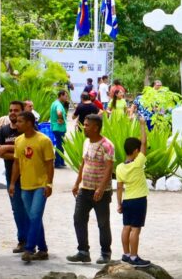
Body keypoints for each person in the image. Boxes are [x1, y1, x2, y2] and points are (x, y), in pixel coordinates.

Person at [67, 114, 115, 265]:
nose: (84, 127)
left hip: (101, 192)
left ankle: (105, 253)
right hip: (85, 189)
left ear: (96, 127)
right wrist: (76, 183)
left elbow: (109, 168)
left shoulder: (107, 145)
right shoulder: (86, 142)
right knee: (78, 219)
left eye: (87, 125)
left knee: (103, 223)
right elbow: (83, 163)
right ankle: (83, 252)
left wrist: (100, 188)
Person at [9, 111, 55, 263]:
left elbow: (50, 164)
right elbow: (17, 163)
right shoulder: (18, 140)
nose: (17, 123)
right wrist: (12, 183)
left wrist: (49, 183)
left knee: (35, 216)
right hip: (24, 185)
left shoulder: (44, 140)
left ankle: (29, 249)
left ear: (29, 123)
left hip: (40, 185)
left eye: (20, 121)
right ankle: (42, 249)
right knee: (33, 218)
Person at [116, 118, 151, 268]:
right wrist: (142, 125)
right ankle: (134, 256)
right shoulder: (138, 163)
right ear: (136, 151)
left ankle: (126, 254)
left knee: (126, 227)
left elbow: (119, 187)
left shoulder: (119, 168)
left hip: (127, 200)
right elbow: (144, 143)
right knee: (136, 229)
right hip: (139, 200)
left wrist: (119, 203)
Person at [0, 100, 28, 253]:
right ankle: (22, 240)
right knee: (17, 209)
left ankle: (33, 240)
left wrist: (8, 148)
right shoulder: (3, 131)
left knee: (30, 210)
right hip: (11, 177)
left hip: (29, 176)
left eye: (16, 110)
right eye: (11, 110)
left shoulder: (28, 130)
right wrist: (18, 154)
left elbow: (30, 150)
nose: (13, 113)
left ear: (22, 111)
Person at [50, 90, 69, 168]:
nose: (66, 98)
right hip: (59, 128)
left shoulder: (55, 103)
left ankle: (61, 161)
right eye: (65, 96)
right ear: (61, 95)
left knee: (60, 144)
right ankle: (57, 162)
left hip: (57, 127)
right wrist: (60, 118)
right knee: (59, 145)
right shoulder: (58, 105)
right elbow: (59, 113)